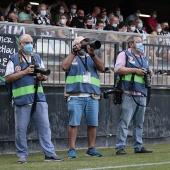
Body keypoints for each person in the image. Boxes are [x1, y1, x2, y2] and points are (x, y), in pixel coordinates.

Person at [5, 34, 64, 163]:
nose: (29, 45)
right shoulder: (13, 59)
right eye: (26, 42)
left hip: (39, 98)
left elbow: (45, 76)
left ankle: (49, 154)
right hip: (21, 99)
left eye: (31, 42)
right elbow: (7, 78)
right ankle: (22, 155)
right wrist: (24, 72)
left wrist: (42, 77)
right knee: (21, 129)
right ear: (20, 44)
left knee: (45, 127)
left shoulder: (36, 57)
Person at [61, 36, 104, 158]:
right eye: (82, 43)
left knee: (93, 123)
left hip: (92, 95)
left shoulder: (91, 58)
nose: (85, 45)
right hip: (75, 95)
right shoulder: (72, 57)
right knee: (74, 123)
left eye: (86, 43)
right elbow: (64, 66)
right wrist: (74, 52)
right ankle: (71, 149)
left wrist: (93, 54)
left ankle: (91, 148)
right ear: (76, 45)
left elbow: (102, 67)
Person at [114, 35, 153, 155]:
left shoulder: (143, 57)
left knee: (139, 123)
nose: (140, 44)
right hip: (128, 93)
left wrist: (150, 72)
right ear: (131, 44)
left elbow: (146, 71)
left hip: (141, 93)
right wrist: (134, 70)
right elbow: (118, 69)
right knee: (124, 121)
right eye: (137, 42)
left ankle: (138, 146)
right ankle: (120, 147)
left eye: (141, 42)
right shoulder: (124, 54)